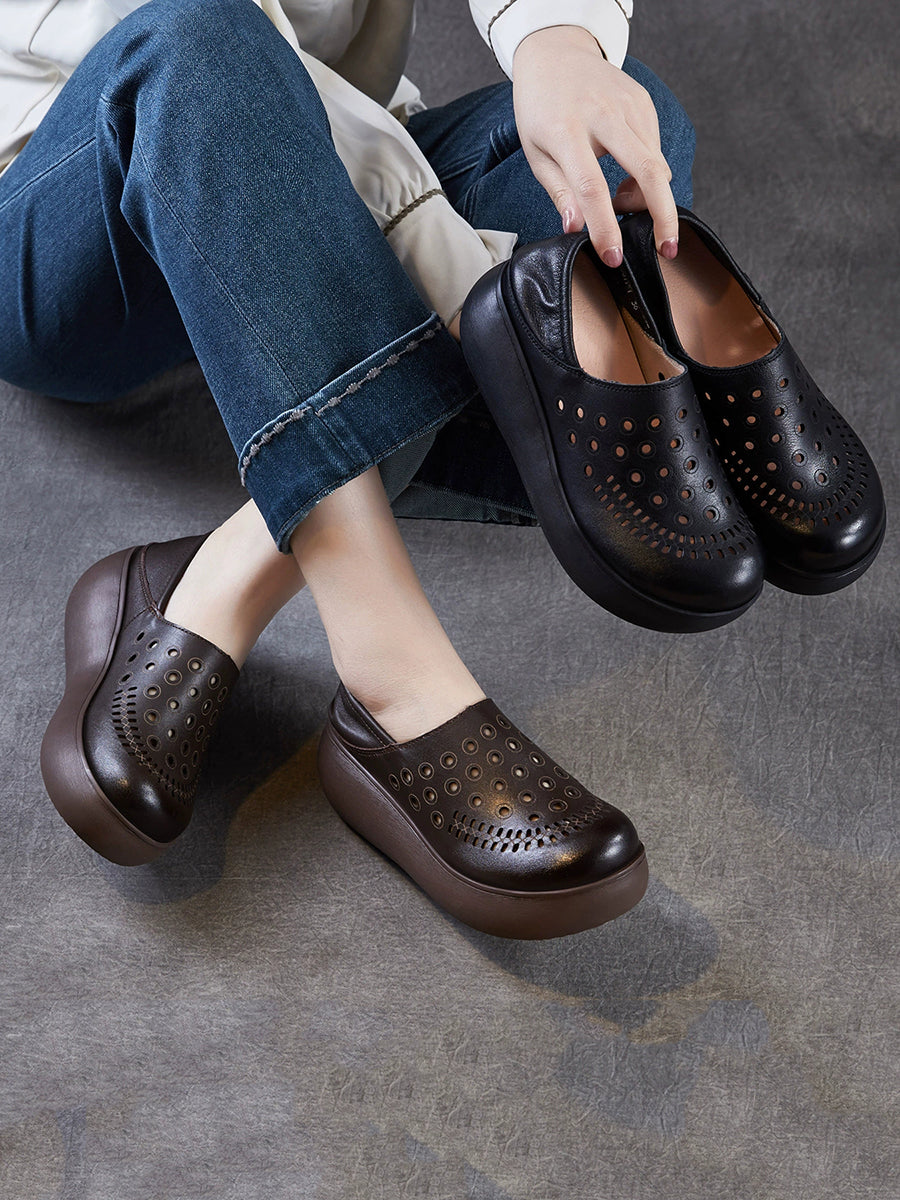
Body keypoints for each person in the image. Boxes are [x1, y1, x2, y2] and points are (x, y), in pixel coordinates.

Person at [1, 0, 698, 937]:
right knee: (200, 37)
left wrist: (560, 45)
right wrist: (469, 290)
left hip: (312, 148)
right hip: (62, 203)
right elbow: (201, 49)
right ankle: (393, 676)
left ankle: (218, 581)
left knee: (624, 123)